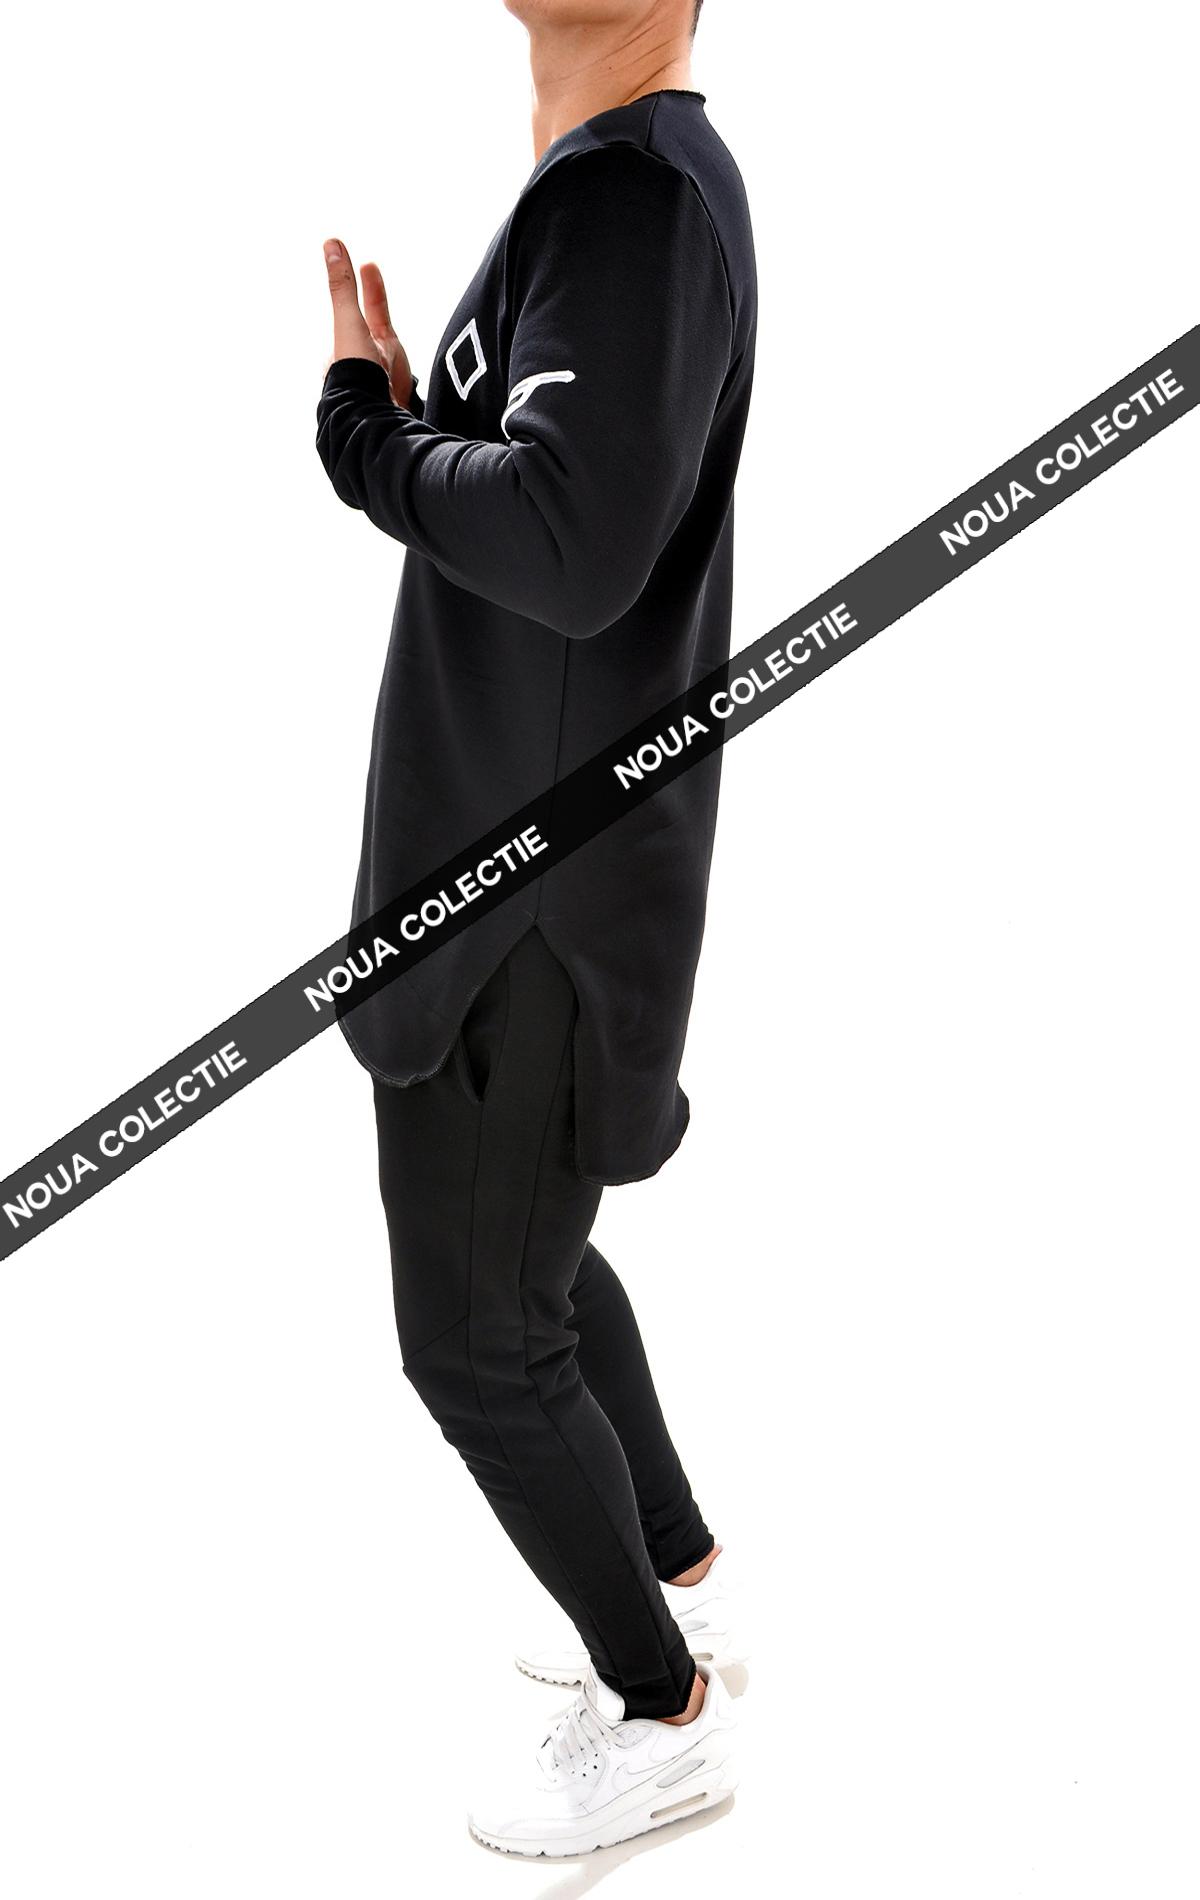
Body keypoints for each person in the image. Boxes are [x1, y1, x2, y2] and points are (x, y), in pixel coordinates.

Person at [314, 0, 757, 1857]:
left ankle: (659, 1713)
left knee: (478, 1343)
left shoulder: (633, 203)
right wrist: (429, 432)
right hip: (521, 864)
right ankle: (676, 1568)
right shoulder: (614, 187)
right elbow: (569, 515)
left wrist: (369, 445)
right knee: (535, 1269)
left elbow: (570, 547)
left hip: (529, 902)